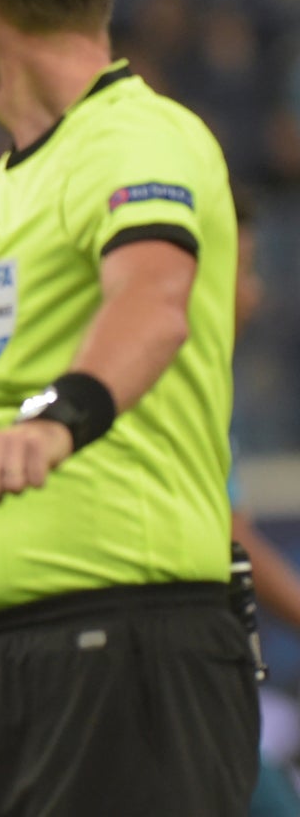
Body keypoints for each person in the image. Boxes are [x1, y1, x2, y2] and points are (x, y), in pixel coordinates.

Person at [0, 0, 256, 816]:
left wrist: (52, 421)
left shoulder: (137, 137)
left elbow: (148, 299)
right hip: (4, 669)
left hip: (130, 651)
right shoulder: (7, 186)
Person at [228, 190, 300, 817]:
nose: (252, 293)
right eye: (240, 269)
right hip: (161, 683)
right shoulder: (158, 379)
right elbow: (225, 531)